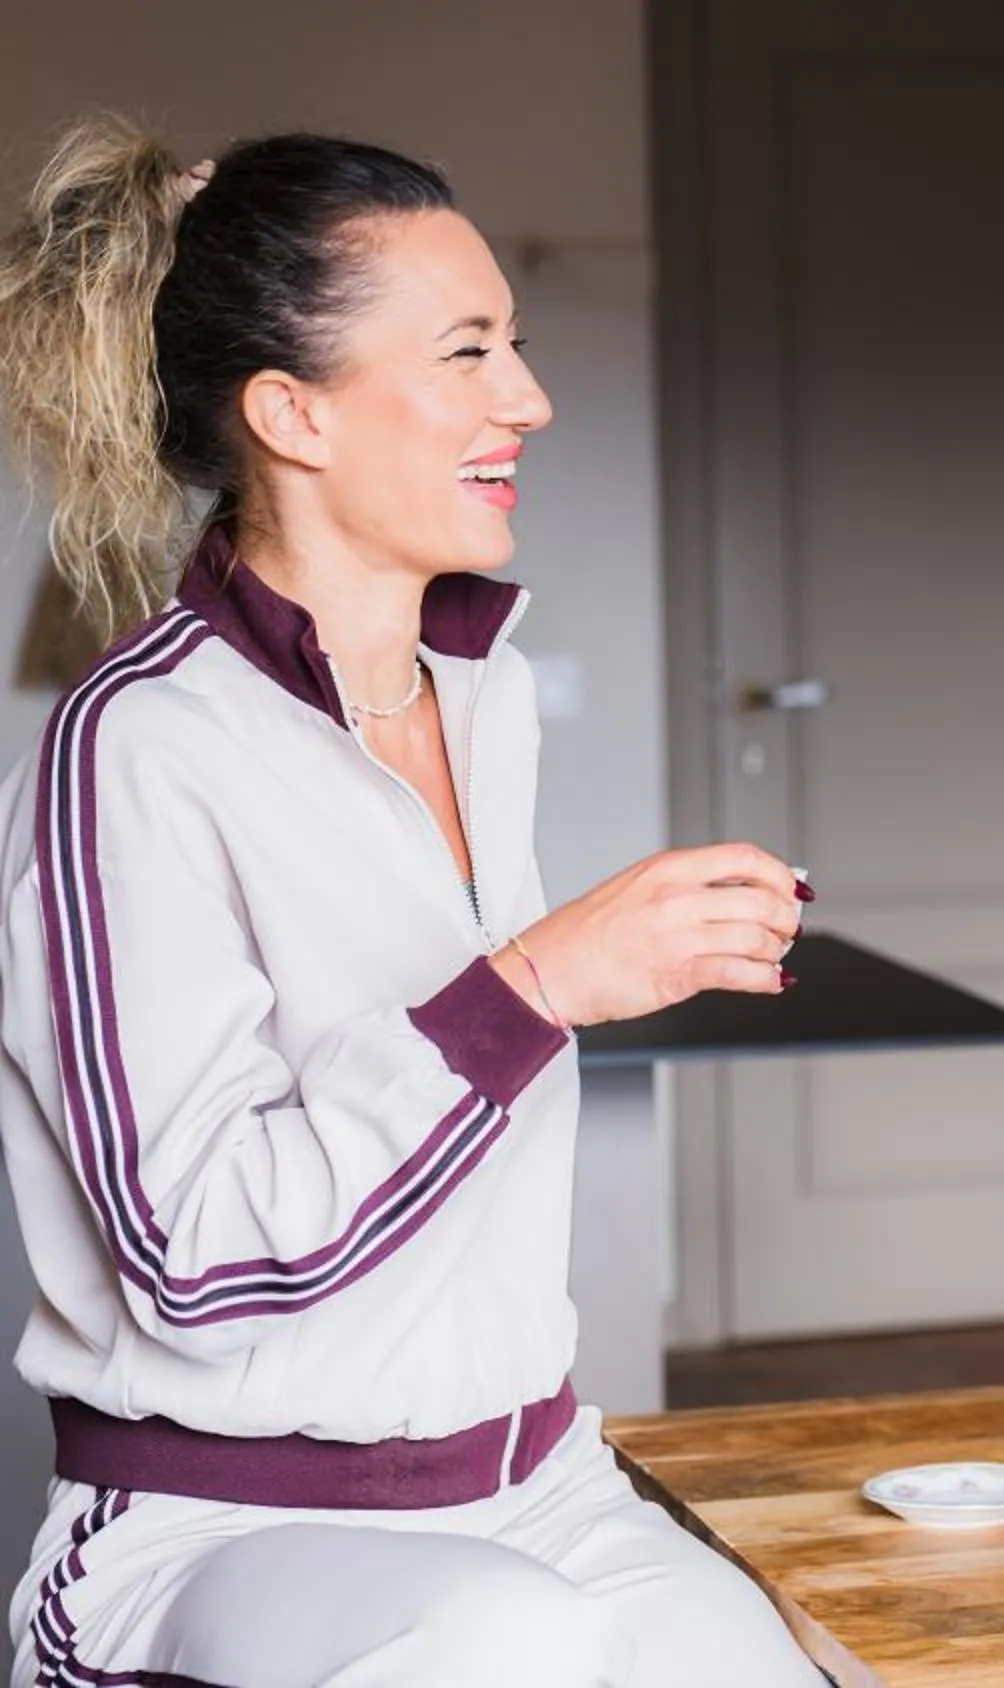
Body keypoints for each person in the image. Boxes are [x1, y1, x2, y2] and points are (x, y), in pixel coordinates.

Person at [0, 118, 826, 1685]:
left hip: (538, 1488)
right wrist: (534, 987)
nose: (529, 399)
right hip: (221, 1525)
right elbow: (190, 1261)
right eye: (467, 353)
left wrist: (558, 978)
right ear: (290, 412)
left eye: (513, 344)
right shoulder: (136, 746)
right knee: (499, 1651)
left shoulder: (481, 688)